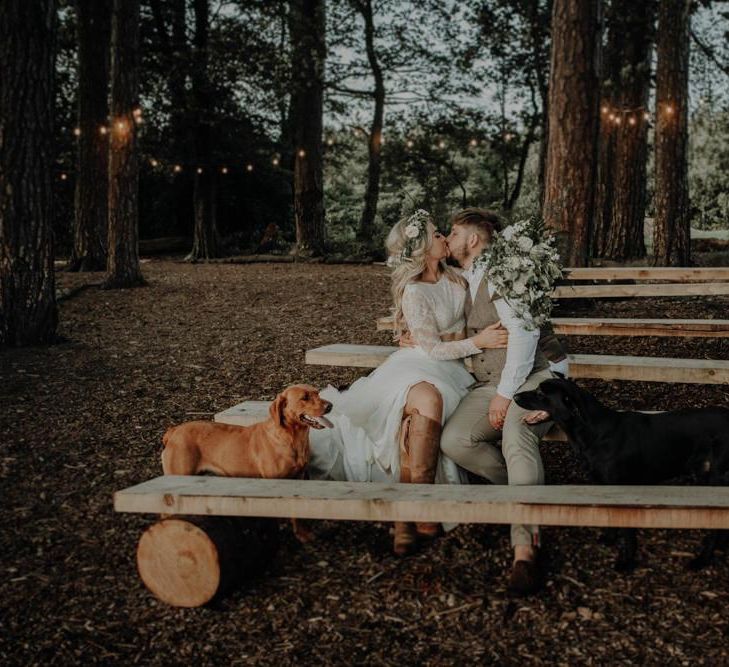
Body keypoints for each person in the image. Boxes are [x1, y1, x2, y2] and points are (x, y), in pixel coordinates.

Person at [307, 210, 508, 555]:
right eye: (437, 234)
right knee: (426, 401)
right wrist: (475, 343)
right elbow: (429, 347)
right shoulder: (414, 291)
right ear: (422, 248)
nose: (445, 237)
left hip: (453, 367)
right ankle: (417, 509)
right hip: (419, 363)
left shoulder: (459, 279)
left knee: (416, 415)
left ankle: (407, 515)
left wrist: (464, 340)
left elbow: (461, 329)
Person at [438, 207, 566, 595]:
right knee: (455, 440)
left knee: (516, 435)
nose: (449, 238)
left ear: (473, 240)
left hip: (538, 375)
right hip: (493, 380)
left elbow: (525, 338)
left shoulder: (507, 269)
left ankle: (524, 549)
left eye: (454, 232)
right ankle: (527, 494)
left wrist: (504, 397)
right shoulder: (466, 275)